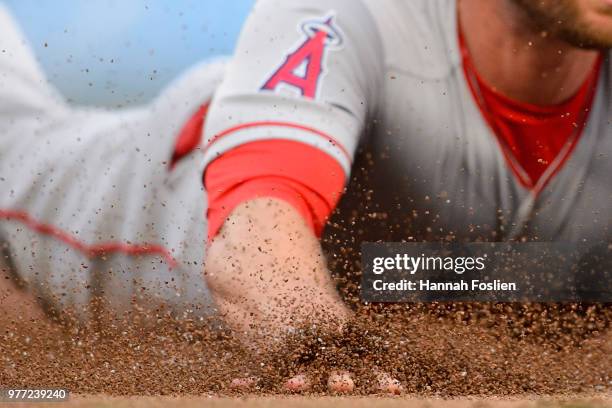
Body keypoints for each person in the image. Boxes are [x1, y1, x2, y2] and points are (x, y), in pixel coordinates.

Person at [2, 0, 612, 394]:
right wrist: (322, 346)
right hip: (179, 192)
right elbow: (254, 242)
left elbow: (541, 280)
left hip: (408, 271)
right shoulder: (353, 16)